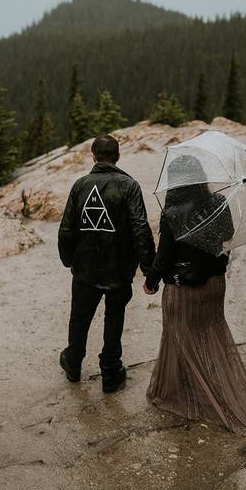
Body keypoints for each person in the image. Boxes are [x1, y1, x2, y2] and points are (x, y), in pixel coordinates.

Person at [143, 155, 246, 433]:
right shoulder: (218, 204)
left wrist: (150, 281)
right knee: (210, 334)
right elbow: (228, 234)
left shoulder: (172, 213)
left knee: (179, 337)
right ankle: (219, 388)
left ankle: (192, 396)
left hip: (183, 288)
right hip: (214, 284)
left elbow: (163, 257)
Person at [58, 135, 155, 393]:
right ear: (118, 156)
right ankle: (111, 372)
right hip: (119, 269)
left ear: (93, 156)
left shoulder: (80, 185)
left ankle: (73, 364)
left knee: (79, 318)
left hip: (85, 269)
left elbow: (67, 228)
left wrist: (69, 260)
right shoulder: (129, 186)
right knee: (115, 317)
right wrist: (149, 269)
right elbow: (140, 228)